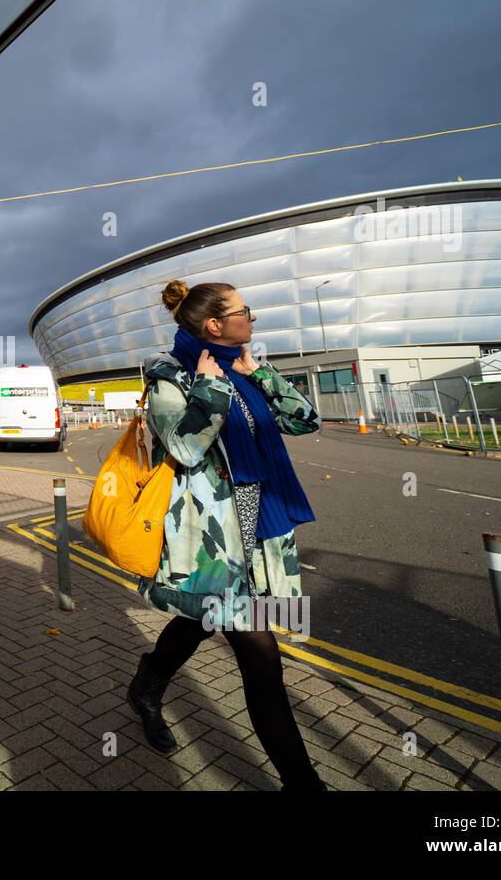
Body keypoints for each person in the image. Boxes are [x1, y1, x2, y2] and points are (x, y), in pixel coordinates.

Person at [127, 278, 326, 791]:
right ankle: (304, 785)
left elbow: (306, 422)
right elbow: (186, 447)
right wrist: (212, 386)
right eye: (245, 311)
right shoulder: (171, 377)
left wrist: (260, 374)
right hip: (217, 536)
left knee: (201, 620)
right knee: (261, 657)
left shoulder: (247, 366)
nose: (252, 319)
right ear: (214, 324)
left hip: (261, 524)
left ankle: (148, 681)